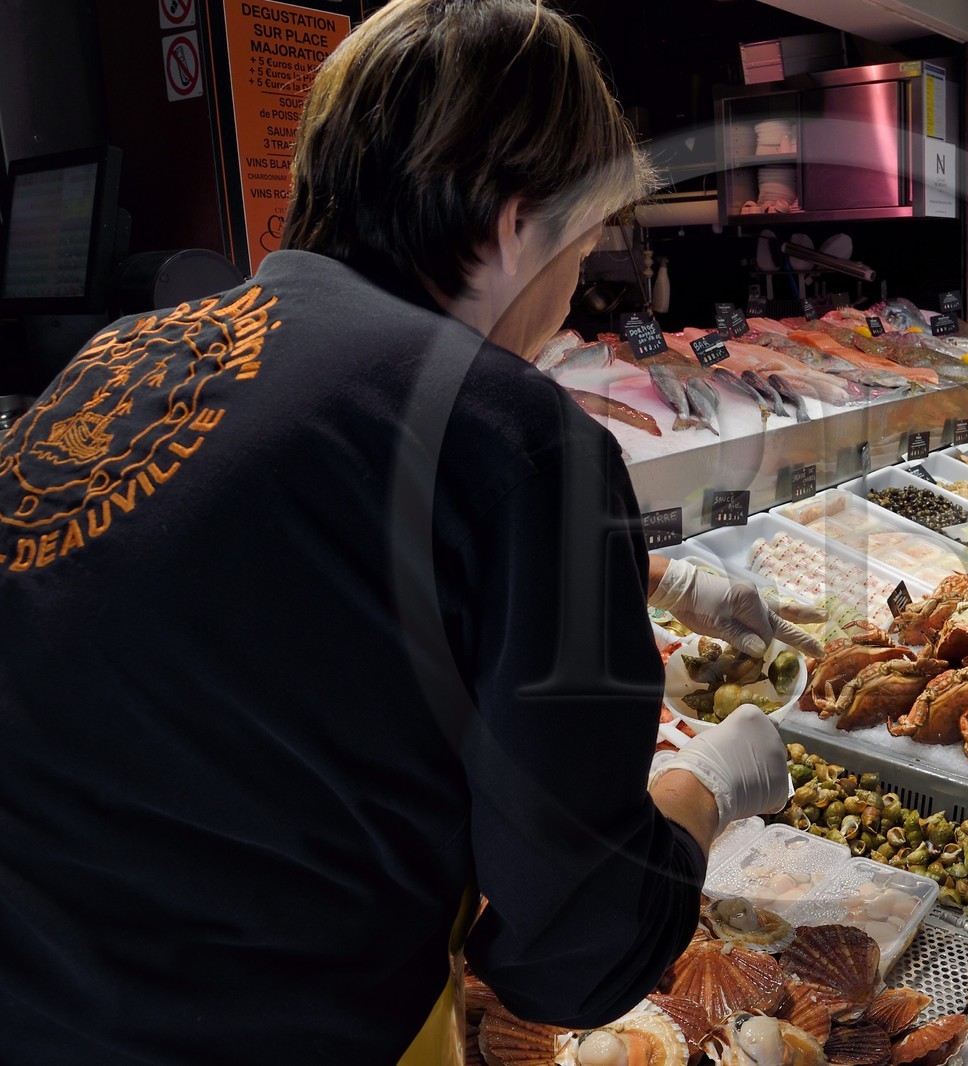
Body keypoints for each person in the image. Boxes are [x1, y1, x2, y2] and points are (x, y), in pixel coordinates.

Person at [0, 1, 807, 1059]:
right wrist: (708, 784)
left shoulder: (126, 355)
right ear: (520, 225)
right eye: (588, 244)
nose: (571, 300)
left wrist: (636, 573)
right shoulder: (518, 434)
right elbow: (573, 951)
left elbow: (273, 570)